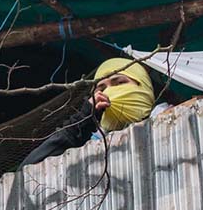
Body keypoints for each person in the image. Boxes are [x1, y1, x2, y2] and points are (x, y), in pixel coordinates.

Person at [20, 57, 155, 168]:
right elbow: (27, 172)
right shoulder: (94, 143)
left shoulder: (169, 118)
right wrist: (81, 123)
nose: (108, 92)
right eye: (101, 89)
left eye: (119, 83)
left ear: (143, 86)